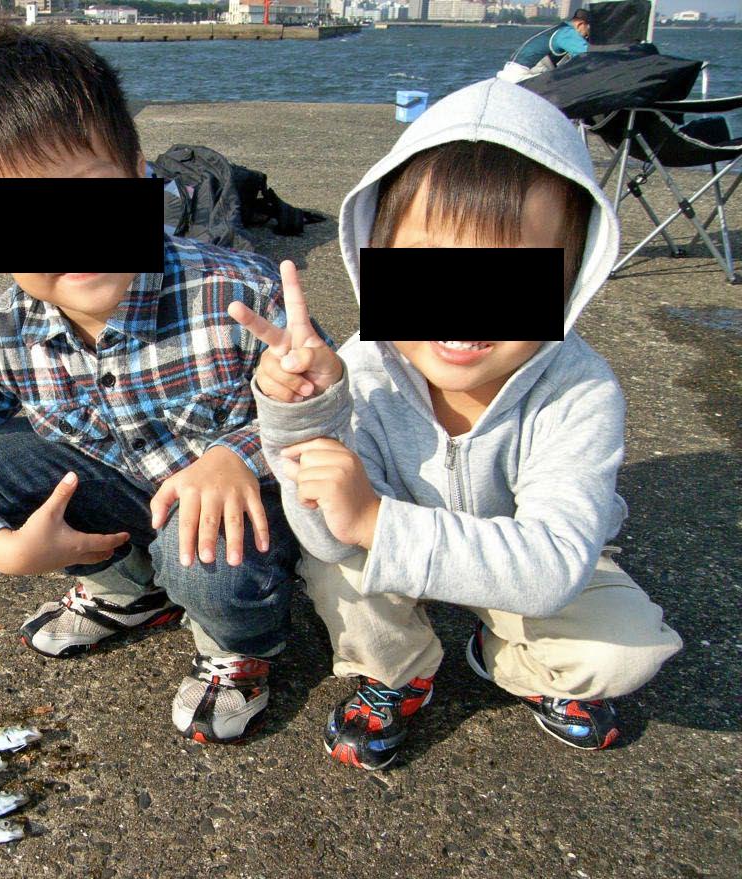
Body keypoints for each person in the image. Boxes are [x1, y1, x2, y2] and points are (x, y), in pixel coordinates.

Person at [0, 24, 330, 744]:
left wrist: (239, 452)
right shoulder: (3, 331)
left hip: (238, 526)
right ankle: (129, 592)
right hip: (129, 505)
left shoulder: (239, 293)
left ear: (142, 182)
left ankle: (241, 646)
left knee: (203, 558)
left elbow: (337, 412)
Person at [229, 78, 682, 770]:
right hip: (395, 552)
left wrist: (375, 519)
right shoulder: (366, 368)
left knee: (624, 652)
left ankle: (502, 655)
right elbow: (325, 534)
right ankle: (399, 671)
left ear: (572, 279)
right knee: (333, 566)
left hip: (519, 561)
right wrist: (300, 418)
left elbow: (555, 565)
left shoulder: (580, 390)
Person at [497, 8, 591, 84]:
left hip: (510, 74)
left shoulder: (556, 30)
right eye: (589, 30)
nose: (588, 35)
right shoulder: (567, 32)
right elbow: (588, 54)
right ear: (580, 24)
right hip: (523, 77)